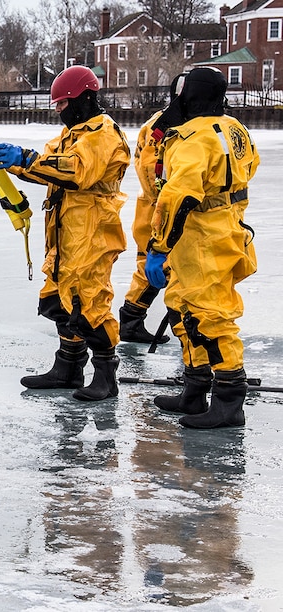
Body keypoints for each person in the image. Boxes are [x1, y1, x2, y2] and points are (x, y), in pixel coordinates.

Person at [0, 65, 130, 401]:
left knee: (89, 302)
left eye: (62, 103)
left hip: (92, 231)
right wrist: (6, 161)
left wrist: (26, 158)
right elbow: (47, 166)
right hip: (65, 232)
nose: (59, 111)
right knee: (59, 298)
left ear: (81, 99)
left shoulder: (102, 134)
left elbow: (75, 172)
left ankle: (106, 375)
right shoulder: (72, 134)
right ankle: (68, 367)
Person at [144, 67, 258, 429]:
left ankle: (228, 401)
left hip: (200, 237)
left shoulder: (191, 139)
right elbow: (251, 165)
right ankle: (195, 389)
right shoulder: (235, 128)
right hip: (224, 228)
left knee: (211, 316)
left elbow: (176, 197)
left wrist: (158, 247)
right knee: (184, 309)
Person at [117, 76, 189, 344]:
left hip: (156, 206)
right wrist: (167, 203)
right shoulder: (163, 126)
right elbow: (149, 170)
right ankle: (184, 333)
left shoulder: (168, 122)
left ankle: (131, 319)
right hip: (157, 209)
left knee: (151, 269)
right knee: (166, 269)